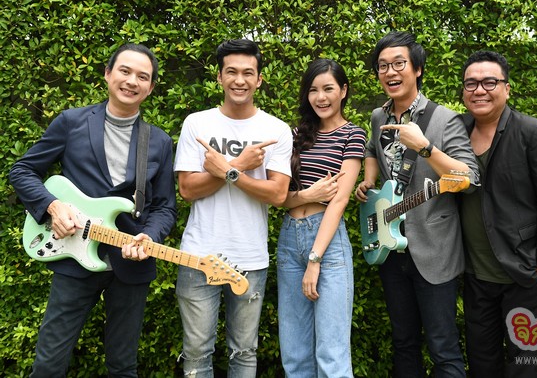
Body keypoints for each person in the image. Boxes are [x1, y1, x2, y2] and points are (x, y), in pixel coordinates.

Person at [9, 43, 177, 377]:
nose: (132, 81)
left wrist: (149, 236)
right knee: (48, 364)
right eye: (124, 71)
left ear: (151, 87)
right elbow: (22, 170)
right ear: (108, 73)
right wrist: (52, 206)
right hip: (73, 256)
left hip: (131, 263)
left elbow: (164, 207)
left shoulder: (158, 141)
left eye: (142, 76)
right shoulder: (71, 122)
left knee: (123, 366)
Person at [354, 31, 479, 378]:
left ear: (417, 69)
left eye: (399, 64)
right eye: (383, 66)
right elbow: (371, 149)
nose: (390, 72)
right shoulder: (378, 117)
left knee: (443, 348)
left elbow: (470, 178)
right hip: (390, 248)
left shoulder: (445, 119)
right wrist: (368, 180)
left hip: (435, 250)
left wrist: (425, 148)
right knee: (404, 342)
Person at [174, 38, 292, 377]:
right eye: (231, 72)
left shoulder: (276, 130)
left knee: (244, 352)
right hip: (198, 255)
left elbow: (278, 194)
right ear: (219, 77)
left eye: (248, 73)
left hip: (249, 257)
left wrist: (227, 170)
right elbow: (187, 189)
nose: (239, 80)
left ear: (259, 80)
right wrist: (239, 164)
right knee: (197, 354)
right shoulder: (197, 123)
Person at [458, 50, 537, 377]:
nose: (479, 90)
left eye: (489, 82)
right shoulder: (457, 131)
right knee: (482, 362)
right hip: (475, 274)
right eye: (471, 83)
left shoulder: (533, 132)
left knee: (527, 363)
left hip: (522, 273)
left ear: (507, 89)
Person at [277, 59, 366, 377]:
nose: (321, 97)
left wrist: (315, 259)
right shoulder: (294, 135)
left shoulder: (353, 135)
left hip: (327, 244)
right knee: (295, 354)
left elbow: (340, 200)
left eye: (328, 88)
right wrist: (307, 195)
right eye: (313, 90)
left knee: (331, 354)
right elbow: (280, 198)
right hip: (289, 239)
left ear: (343, 91)